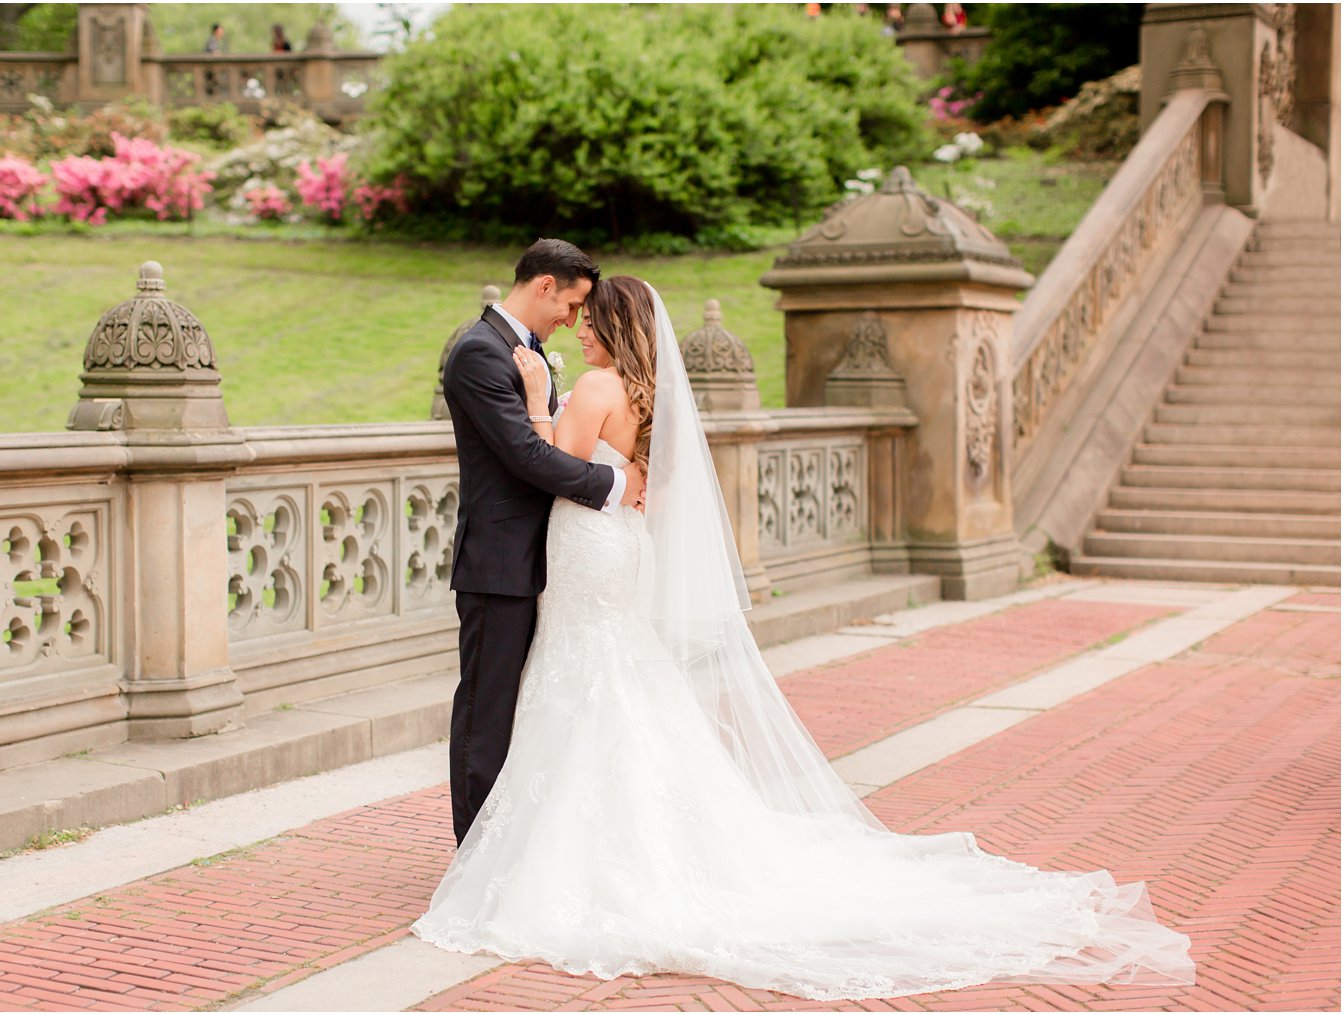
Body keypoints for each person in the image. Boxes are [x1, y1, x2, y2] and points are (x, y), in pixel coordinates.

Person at [412, 275, 1196, 1002]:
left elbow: (552, 461)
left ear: (616, 328)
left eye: (592, 321)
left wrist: (540, 397)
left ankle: (559, 856)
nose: (580, 331)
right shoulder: (646, 395)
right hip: (616, 550)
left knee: (586, 679)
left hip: (588, 546)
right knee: (612, 677)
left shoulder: (591, 385)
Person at [440, 239, 646, 848]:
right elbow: (529, 458)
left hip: (557, 562)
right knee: (487, 710)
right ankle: (473, 853)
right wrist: (616, 482)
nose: (575, 321)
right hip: (500, 562)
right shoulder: (480, 353)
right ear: (545, 286)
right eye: (574, 304)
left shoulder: (526, 353)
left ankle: (519, 846)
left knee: (536, 708)